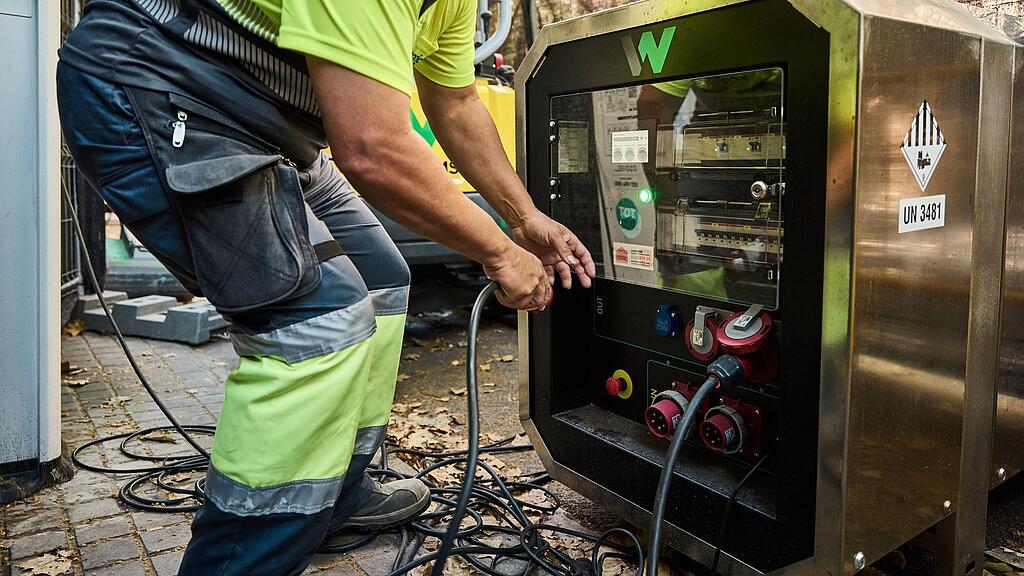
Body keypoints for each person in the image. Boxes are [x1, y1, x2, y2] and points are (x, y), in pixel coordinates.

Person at [56, 1, 595, 573]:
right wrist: (499, 254)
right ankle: (237, 559)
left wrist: (523, 218)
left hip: (266, 118)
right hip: (155, 83)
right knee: (316, 324)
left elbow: (455, 99)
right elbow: (370, 148)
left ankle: (336, 492)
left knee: (383, 278)